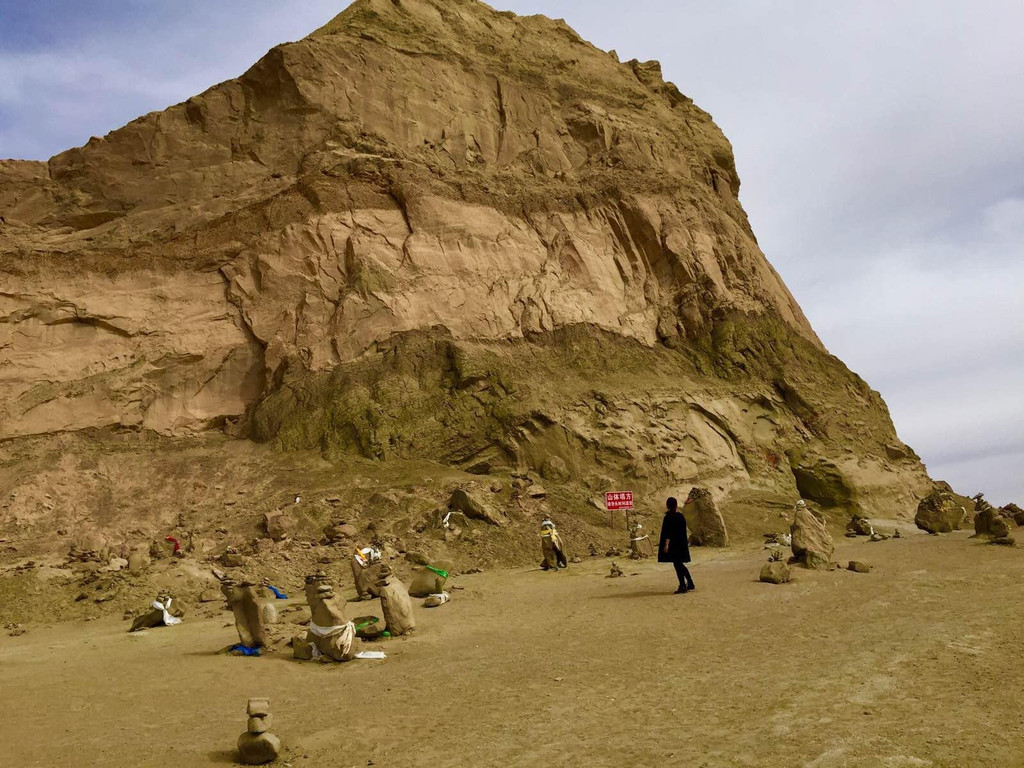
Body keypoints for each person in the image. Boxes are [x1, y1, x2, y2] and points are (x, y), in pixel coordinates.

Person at [659, 497, 695, 594]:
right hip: (681, 544)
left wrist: (666, 545)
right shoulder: (680, 516)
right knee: (679, 564)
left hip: (673, 545)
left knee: (677, 564)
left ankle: (683, 585)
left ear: (668, 505)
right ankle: (690, 582)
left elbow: (668, 533)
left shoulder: (668, 517)